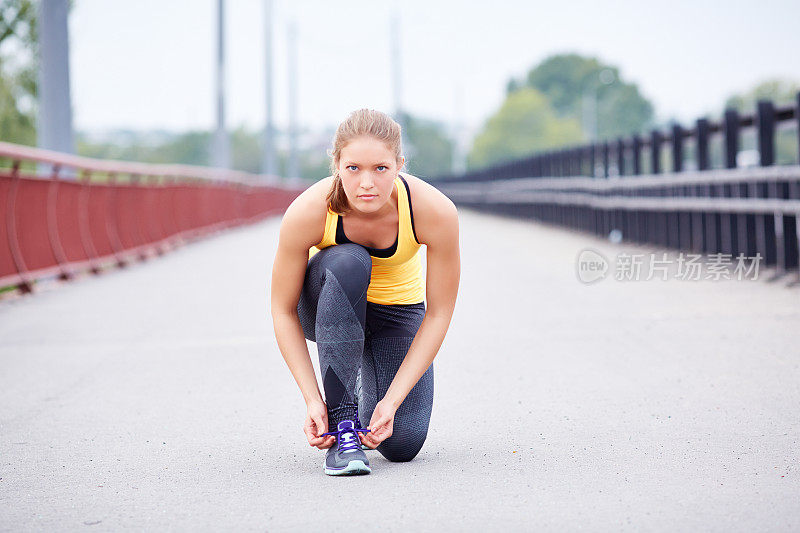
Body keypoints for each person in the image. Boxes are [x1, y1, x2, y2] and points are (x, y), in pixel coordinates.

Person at [270, 108, 460, 476]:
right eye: (353, 168)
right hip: (327, 306)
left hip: (395, 313)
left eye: (381, 169)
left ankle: (360, 383)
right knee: (349, 261)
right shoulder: (309, 211)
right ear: (336, 164)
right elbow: (282, 309)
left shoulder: (434, 211)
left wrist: (391, 401)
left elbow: (438, 313)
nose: (367, 183)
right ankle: (343, 429)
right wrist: (313, 400)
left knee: (402, 443)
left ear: (399, 164)